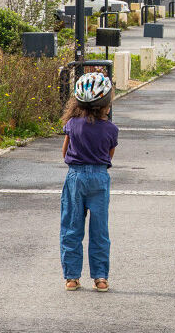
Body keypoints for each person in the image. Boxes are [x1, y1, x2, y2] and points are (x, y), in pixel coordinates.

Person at [60, 72, 118, 293]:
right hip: (99, 178)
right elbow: (109, 156)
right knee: (99, 229)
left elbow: (65, 153)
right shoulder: (111, 129)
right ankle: (100, 278)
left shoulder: (72, 124)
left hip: (75, 177)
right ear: (105, 103)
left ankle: (72, 278)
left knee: (71, 227)